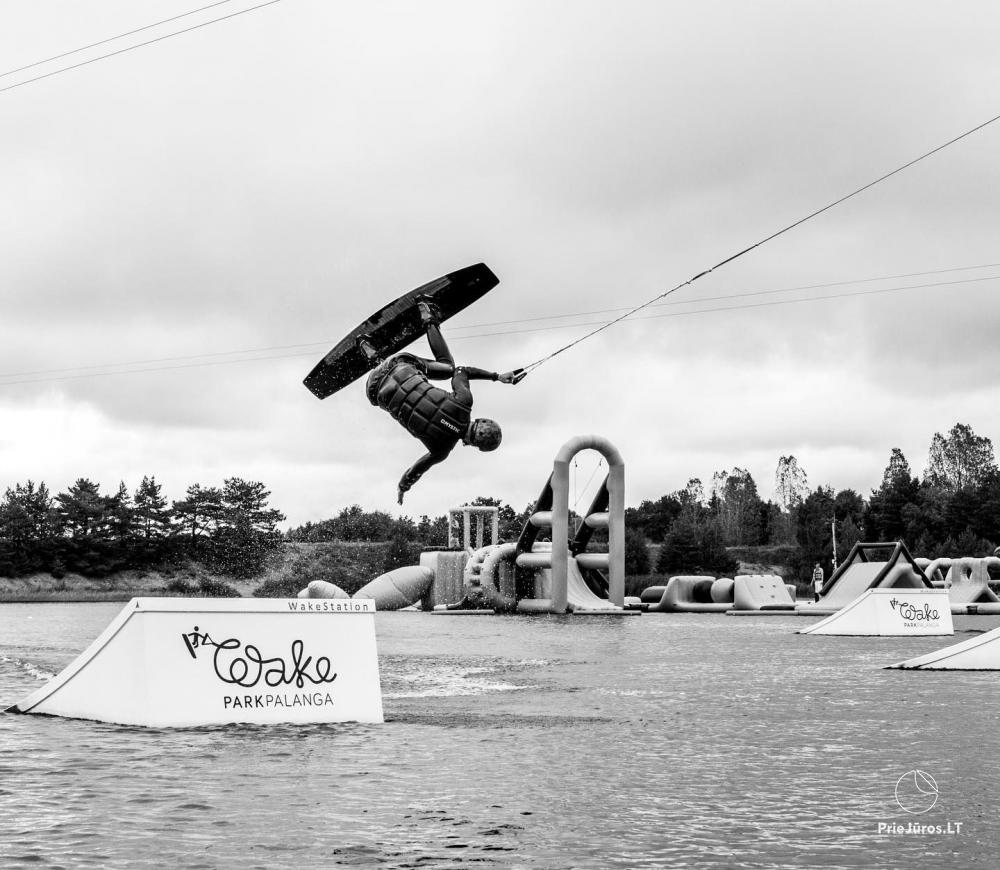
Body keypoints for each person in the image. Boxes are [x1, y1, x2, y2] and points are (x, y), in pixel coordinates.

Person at [360, 299, 517, 503]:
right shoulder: (440, 450)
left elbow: (462, 371)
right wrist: (402, 489)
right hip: (373, 389)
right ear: (473, 445)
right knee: (392, 393)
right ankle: (365, 347)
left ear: (481, 420)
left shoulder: (463, 402)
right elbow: (414, 472)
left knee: (450, 368)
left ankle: (428, 315)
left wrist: (496, 376)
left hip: (398, 363)